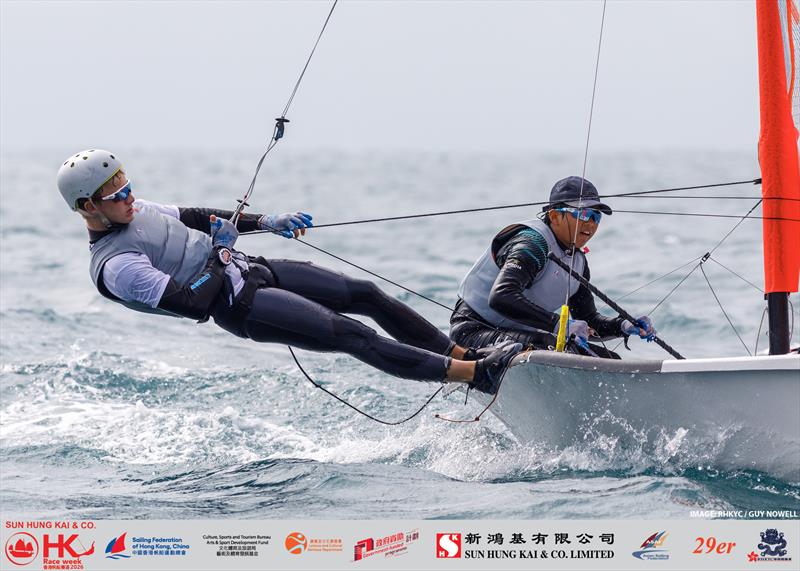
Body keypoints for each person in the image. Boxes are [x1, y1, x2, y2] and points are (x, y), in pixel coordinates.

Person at [57, 149, 522, 395]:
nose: (130, 198)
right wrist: (220, 255)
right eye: (118, 196)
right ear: (87, 207)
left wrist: (265, 222)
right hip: (240, 306)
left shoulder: (134, 210)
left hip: (250, 269)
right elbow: (193, 305)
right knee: (349, 333)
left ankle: (458, 351)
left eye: (130, 186)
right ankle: (475, 375)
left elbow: (196, 215)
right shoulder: (117, 267)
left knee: (366, 293)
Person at [450, 176, 656, 358]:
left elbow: (588, 321)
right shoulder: (532, 244)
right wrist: (558, 324)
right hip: (472, 332)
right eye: (583, 214)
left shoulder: (578, 263)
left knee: (607, 359)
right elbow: (501, 296)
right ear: (555, 215)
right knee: (548, 347)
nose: (591, 224)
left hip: (514, 339)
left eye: (596, 217)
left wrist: (623, 326)